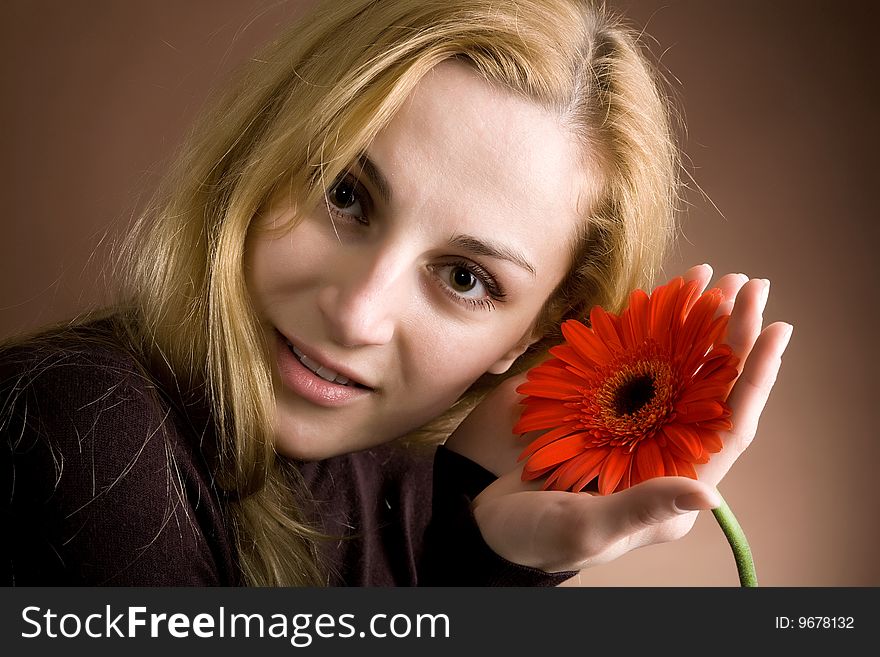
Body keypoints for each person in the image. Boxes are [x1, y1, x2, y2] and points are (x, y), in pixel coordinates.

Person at [0, 0, 791, 586]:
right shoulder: (78, 428)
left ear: (535, 333)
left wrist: (483, 557)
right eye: (346, 195)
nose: (356, 312)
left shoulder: (434, 498)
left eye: (464, 278)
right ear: (260, 154)